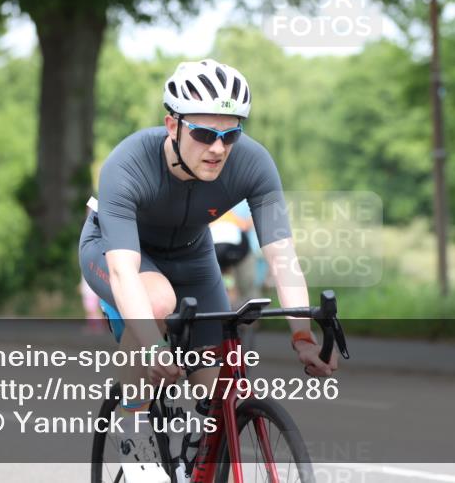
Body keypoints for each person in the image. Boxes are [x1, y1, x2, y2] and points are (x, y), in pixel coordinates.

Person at [78, 58, 337, 483]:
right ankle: (135, 435)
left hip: (192, 255)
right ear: (172, 125)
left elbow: (282, 256)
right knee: (156, 302)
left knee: (218, 386)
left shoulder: (253, 163)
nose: (217, 148)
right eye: (203, 134)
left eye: (230, 134)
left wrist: (302, 334)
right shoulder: (128, 163)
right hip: (115, 250)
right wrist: (150, 348)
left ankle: (196, 462)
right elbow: (125, 274)